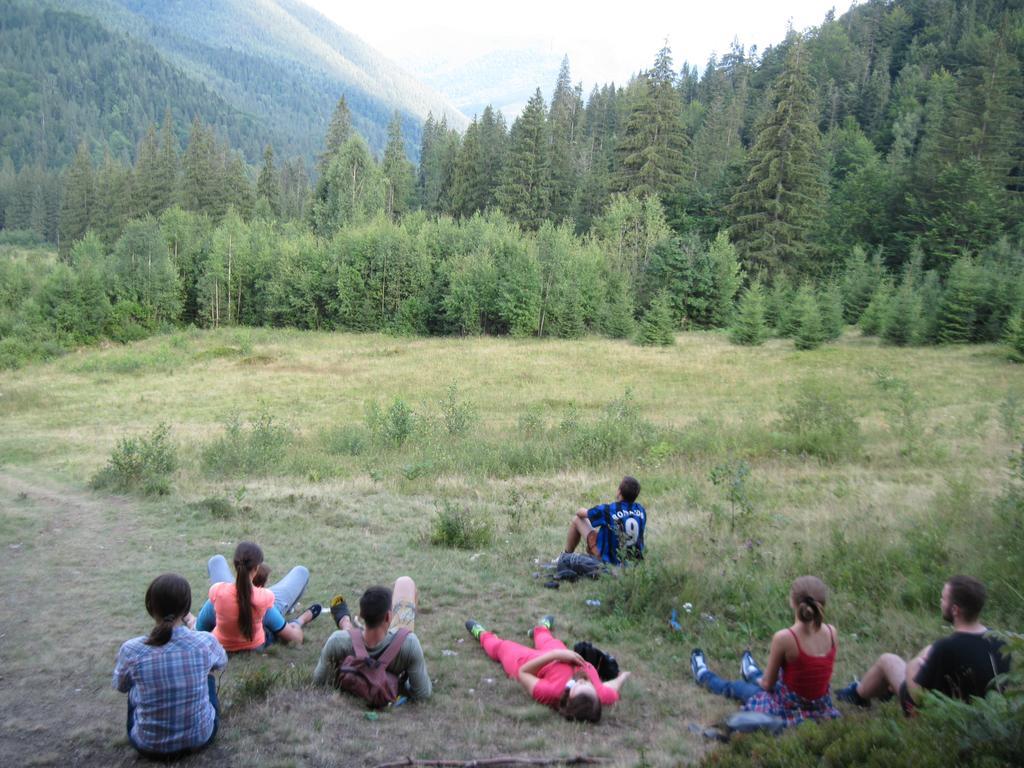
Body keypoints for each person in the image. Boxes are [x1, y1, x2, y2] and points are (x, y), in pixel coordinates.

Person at [836, 575, 1012, 713]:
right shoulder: (1000, 640)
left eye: (943, 599)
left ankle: (858, 695)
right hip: (986, 714)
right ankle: (878, 690)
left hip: (935, 715)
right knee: (928, 652)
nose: (940, 602)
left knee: (888, 660)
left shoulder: (946, 648)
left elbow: (917, 697)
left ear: (955, 610)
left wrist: (913, 666)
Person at [690, 576, 841, 727]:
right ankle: (750, 671)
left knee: (734, 687)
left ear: (792, 602)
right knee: (774, 681)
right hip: (820, 707)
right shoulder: (831, 632)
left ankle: (703, 675)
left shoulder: (785, 638)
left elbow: (768, 685)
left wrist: (759, 681)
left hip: (787, 707)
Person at [113, 573, 227, 758]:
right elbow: (221, 662)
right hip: (200, 738)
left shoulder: (132, 649)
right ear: (186, 608)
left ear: (150, 606)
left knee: (134, 688)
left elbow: (121, 686)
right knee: (208, 677)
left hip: (148, 745)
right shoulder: (205, 642)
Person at [465, 615, 630, 722]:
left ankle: (481, 634)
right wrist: (623, 676)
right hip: (559, 654)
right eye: (589, 685)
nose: (584, 682)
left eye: (580, 687)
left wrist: (555, 655)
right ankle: (540, 628)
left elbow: (524, 673)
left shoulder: (550, 693)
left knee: (502, 647)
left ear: (570, 698)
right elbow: (612, 688)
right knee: (545, 638)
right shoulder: (598, 695)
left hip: (530, 664)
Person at [312, 577, 432, 700]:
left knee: (348, 635)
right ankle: (345, 622)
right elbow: (422, 693)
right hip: (395, 646)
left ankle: (345, 621)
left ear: (361, 614)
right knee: (405, 581)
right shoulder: (409, 644)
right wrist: (400, 682)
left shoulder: (337, 641)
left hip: (352, 642)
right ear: (389, 617)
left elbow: (318, 681)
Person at [195, 541, 321, 651]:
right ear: (256, 568)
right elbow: (295, 638)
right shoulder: (264, 598)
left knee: (216, 560)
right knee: (301, 571)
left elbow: (199, 628)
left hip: (224, 608)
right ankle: (300, 619)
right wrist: (298, 624)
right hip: (260, 622)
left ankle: (189, 617)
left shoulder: (217, 591)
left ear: (235, 564)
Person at [564, 475, 646, 566]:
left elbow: (580, 513)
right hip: (633, 562)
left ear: (619, 492)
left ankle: (565, 557)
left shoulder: (609, 509)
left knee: (577, 520)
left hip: (610, 561)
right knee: (606, 530)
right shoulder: (641, 510)